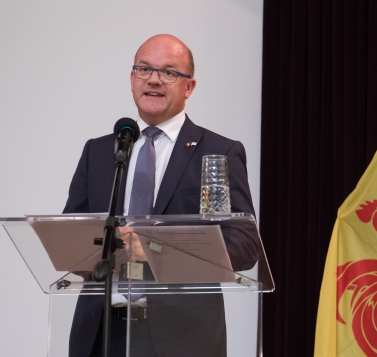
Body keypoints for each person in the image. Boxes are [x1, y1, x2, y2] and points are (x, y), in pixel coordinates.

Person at [63, 34, 260, 357]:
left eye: (169, 72)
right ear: (131, 78)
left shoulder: (218, 152)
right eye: (144, 69)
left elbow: (243, 245)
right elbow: (72, 237)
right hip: (101, 334)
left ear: (189, 87)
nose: (153, 80)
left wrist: (155, 247)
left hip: (183, 337)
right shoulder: (99, 151)